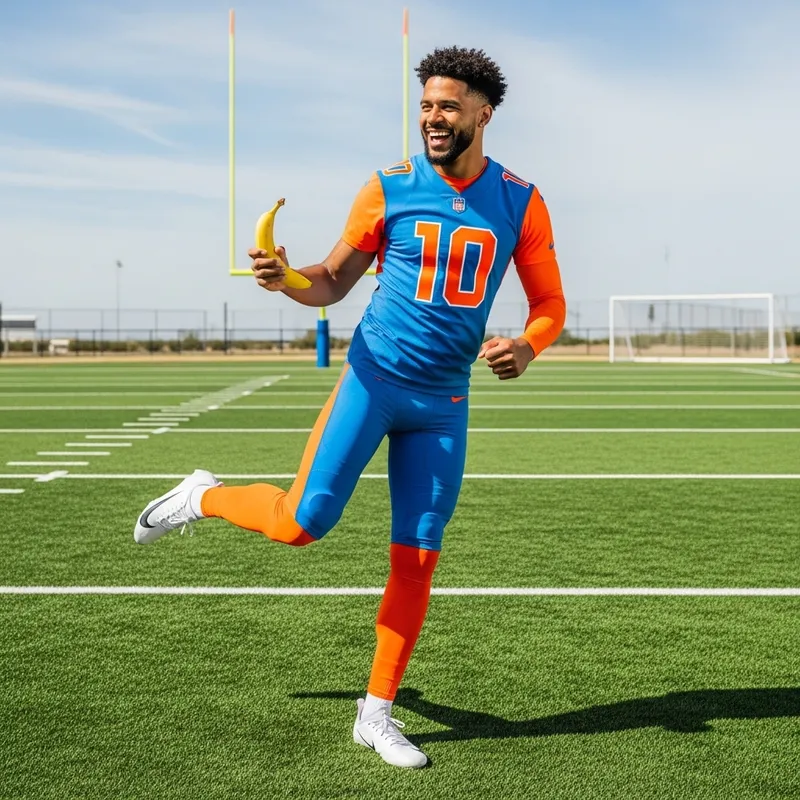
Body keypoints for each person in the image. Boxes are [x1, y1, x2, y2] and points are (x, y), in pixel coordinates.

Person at [134, 46, 566, 769]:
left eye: (448, 105)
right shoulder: (388, 187)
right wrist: (287, 279)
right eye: (426, 105)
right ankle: (203, 496)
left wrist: (528, 344)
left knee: (418, 557)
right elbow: (332, 281)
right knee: (301, 525)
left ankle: (377, 713)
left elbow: (550, 302)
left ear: (484, 113)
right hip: (375, 379)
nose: (433, 117)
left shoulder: (521, 199)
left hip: (444, 401)